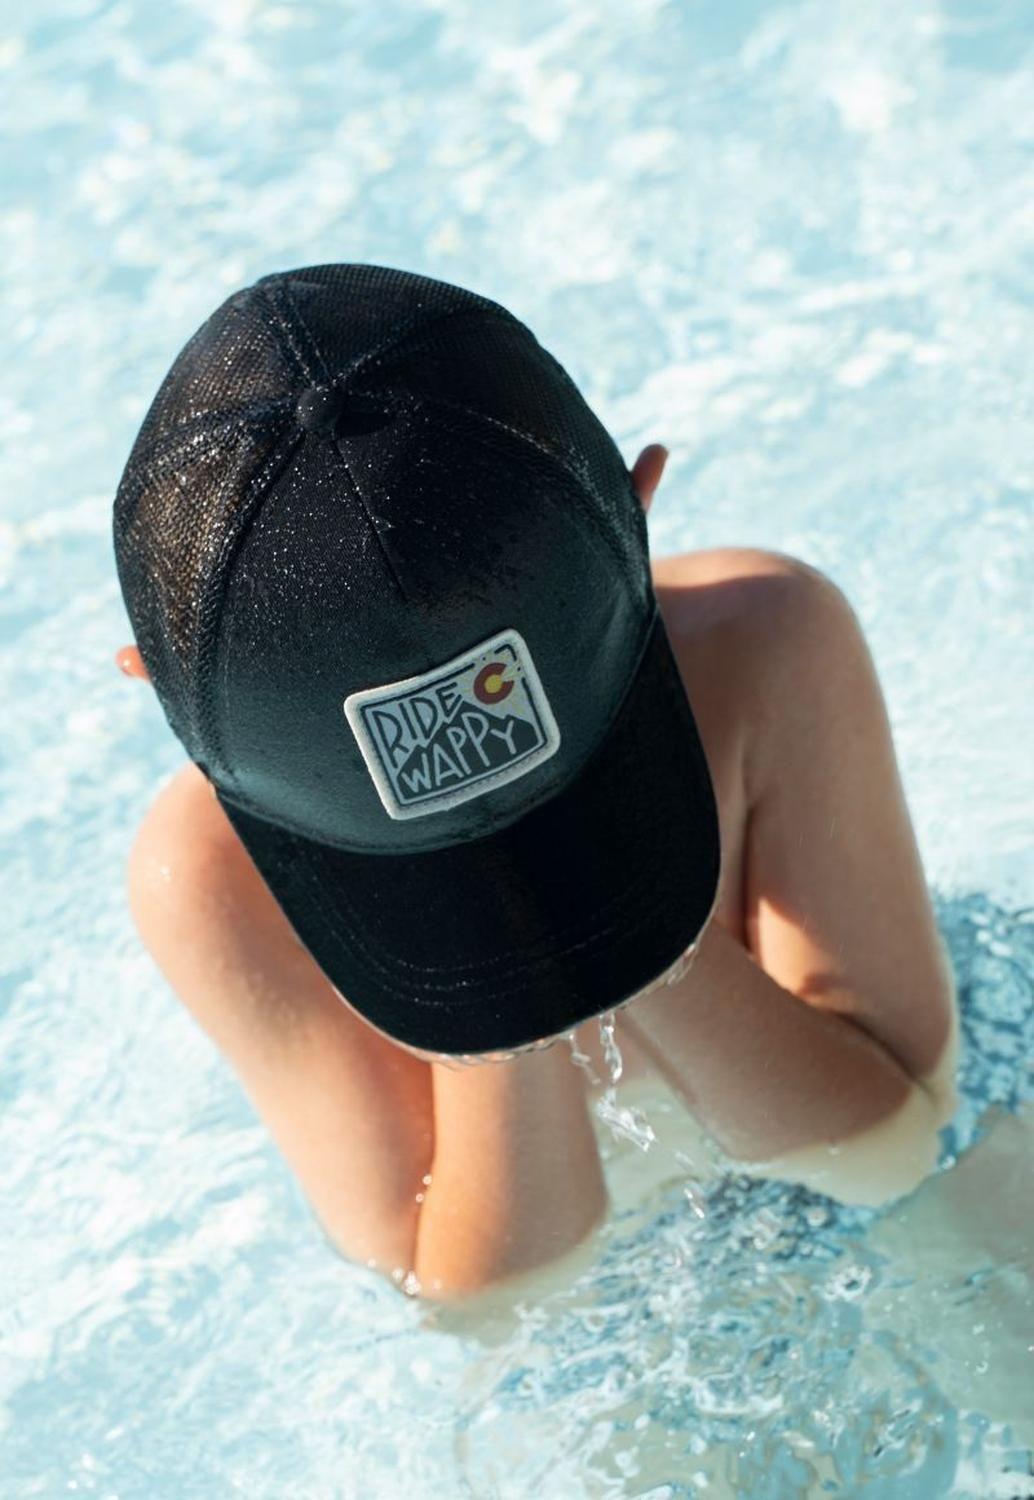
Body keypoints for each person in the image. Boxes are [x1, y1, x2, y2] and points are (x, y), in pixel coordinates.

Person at [112, 266, 959, 1304]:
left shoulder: (765, 649)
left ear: (153, 683)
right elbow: (481, 1310)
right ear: (632, 498)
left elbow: (898, 1156)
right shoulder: (207, 880)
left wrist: (628, 924)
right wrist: (504, 970)